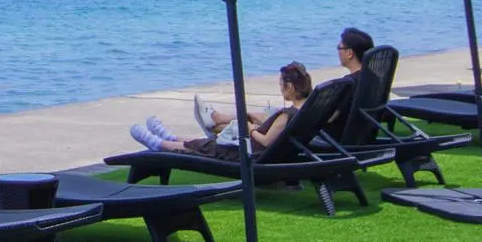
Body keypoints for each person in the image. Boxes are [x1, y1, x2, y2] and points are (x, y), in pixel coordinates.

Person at [195, 26, 372, 136]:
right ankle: (217, 120)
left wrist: (306, 112)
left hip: (321, 136)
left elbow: (330, 117)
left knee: (271, 118)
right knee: (269, 115)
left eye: (339, 48)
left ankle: (215, 124)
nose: (338, 51)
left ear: (350, 53)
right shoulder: (369, 79)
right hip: (350, 134)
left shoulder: (348, 84)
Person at [132, 63, 312, 160]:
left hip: (247, 152)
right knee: (207, 143)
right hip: (254, 149)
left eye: (281, 84)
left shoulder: (287, 115)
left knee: (206, 147)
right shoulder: (306, 110)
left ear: (290, 87)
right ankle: (169, 137)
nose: (280, 89)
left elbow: (266, 141)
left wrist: (250, 129)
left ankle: (158, 143)